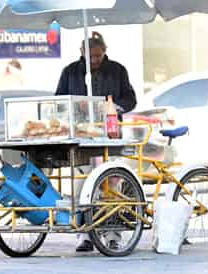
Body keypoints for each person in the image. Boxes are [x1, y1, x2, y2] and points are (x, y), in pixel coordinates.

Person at [55, 31, 137, 252]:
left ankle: (112, 235)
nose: (95, 61)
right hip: (81, 136)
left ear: (104, 52)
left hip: (111, 134)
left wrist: (116, 107)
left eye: (99, 56)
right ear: (81, 53)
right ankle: (85, 235)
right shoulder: (70, 72)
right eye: (91, 56)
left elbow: (130, 98)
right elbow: (58, 101)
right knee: (81, 184)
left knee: (112, 183)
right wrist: (72, 109)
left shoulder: (118, 70)